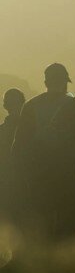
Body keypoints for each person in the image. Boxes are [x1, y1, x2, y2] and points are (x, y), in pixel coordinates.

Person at [11, 64, 75, 239]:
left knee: (42, 221)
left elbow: (19, 145)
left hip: (38, 175)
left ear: (46, 81)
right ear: (65, 82)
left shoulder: (30, 106)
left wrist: (19, 175)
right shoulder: (73, 104)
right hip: (66, 173)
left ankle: (44, 259)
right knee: (69, 222)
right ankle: (65, 260)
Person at [0, 88, 26, 223]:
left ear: (5, 106)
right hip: (27, 187)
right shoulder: (32, 132)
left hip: (5, 187)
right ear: (23, 103)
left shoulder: (2, 131)